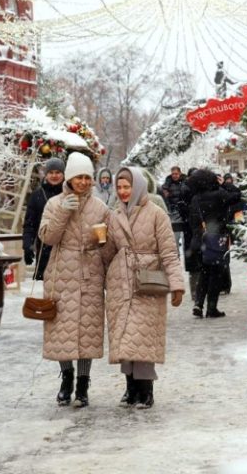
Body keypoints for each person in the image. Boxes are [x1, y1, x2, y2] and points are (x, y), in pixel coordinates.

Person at [104, 167, 185, 409]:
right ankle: (130, 388)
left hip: (148, 282)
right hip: (120, 282)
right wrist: (100, 242)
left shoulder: (156, 214)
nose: (123, 191)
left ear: (138, 186)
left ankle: (146, 389)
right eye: (119, 187)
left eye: (127, 187)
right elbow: (108, 254)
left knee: (142, 337)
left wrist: (177, 285)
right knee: (124, 337)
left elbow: (169, 251)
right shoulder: (114, 215)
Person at [38, 152, 110, 408]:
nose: (83, 182)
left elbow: (107, 243)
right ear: (69, 178)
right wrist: (62, 213)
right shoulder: (54, 203)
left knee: (87, 330)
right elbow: (47, 237)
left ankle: (82, 383)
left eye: (87, 177)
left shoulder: (100, 207)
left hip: (90, 272)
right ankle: (66, 378)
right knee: (62, 329)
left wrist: (102, 240)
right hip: (61, 274)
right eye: (78, 177)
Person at [185, 169, 240, 318]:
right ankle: (211, 308)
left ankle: (198, 303)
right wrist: (225, 185)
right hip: (216, 240)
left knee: (204, 273)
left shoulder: (195, 198)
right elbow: (237, 196)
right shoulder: (219, 194)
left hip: (200, 240)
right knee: (216, 274)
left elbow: (192, 220)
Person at [22, 157, 64, 280]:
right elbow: (30, 224)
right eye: (51, 172)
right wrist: (27, 246)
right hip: (44, 250)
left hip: (66, 249)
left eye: (58, 172)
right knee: (45, 285)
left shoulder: (69, 194)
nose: (54, 176)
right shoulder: (37, 196)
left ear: (63, 174)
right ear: (46, 174)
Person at [219, 173, 244, 295]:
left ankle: (224, 285)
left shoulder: (226, 192)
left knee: (223, 257)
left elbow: (238, 197)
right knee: (221, 257)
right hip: (220, 227)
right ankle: (223, 285)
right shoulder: (219, 193)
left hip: (225, 225)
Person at [161, 166, 189, 256]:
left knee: (186, 237)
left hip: (185, 213)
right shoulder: (167, 184)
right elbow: (164, 198)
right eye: (173, 174)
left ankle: (186, 255)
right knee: (174, 237)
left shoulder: (186, 182)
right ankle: (176, 255)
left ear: (180, 173)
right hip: (173, 213)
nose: (174, 176)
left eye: (176, 174)